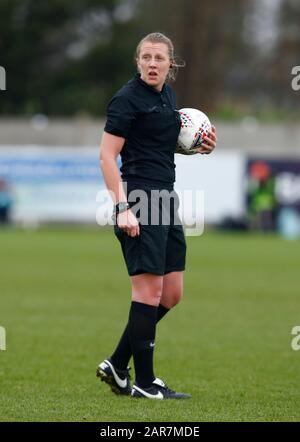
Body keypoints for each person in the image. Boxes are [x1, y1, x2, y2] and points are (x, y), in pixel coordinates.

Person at [97, 32, 217, 400]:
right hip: (138, 198)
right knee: (147, 293)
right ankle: (146, 384)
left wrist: (197, 148)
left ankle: (118, 363)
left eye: (159, 58)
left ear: (171, 64)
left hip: (166, 198)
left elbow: (157, 144)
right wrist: (122, 207)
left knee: (172, 293)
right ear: (138, 62)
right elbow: (106, 156)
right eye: (146, 57)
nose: (152, 63)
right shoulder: (126, 99)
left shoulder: (167, 96)